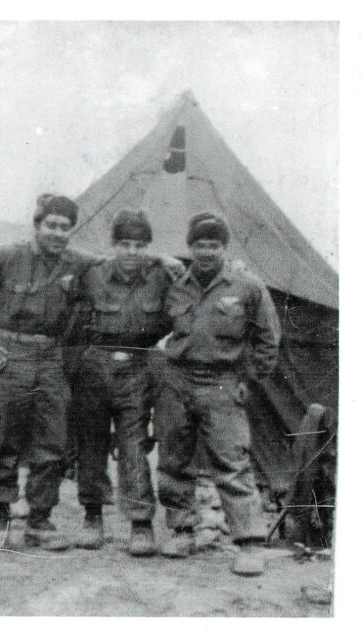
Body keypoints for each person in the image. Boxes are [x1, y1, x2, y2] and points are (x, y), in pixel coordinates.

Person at [0, 194, 94, 546]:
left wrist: (166, 261)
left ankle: (40, 520)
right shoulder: (7, 257)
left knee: (52, 441)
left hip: (50, 357)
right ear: (37, 225)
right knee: (4, 437)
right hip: (9, 352)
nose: (58, 233)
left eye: (65, 227)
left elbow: (113, 265)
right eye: (51, 225)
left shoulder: (77, 263)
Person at [155, 212, 281, 575]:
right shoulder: (177, 284)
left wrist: (250, 379)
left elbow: (267, 339)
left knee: (232, 462)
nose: (206, 251)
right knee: (174, 459)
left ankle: (249, 544)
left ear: (224, 247)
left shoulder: (247, 286)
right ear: (190, 247)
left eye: (213, 245)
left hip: (223, 382)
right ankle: (181, 530)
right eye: (199, 245)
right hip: (178, 380)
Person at [73, 209, 181, 556]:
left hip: (137, 367)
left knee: (133, 445)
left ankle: (140, 523)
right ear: (113, 245)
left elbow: (187, 298)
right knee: (91, 444)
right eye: (124, 245)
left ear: (147, 247)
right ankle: (92, 516)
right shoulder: (92, 276)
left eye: (139, 245)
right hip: (95, 366)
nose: (131, 252)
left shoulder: (161, 276)